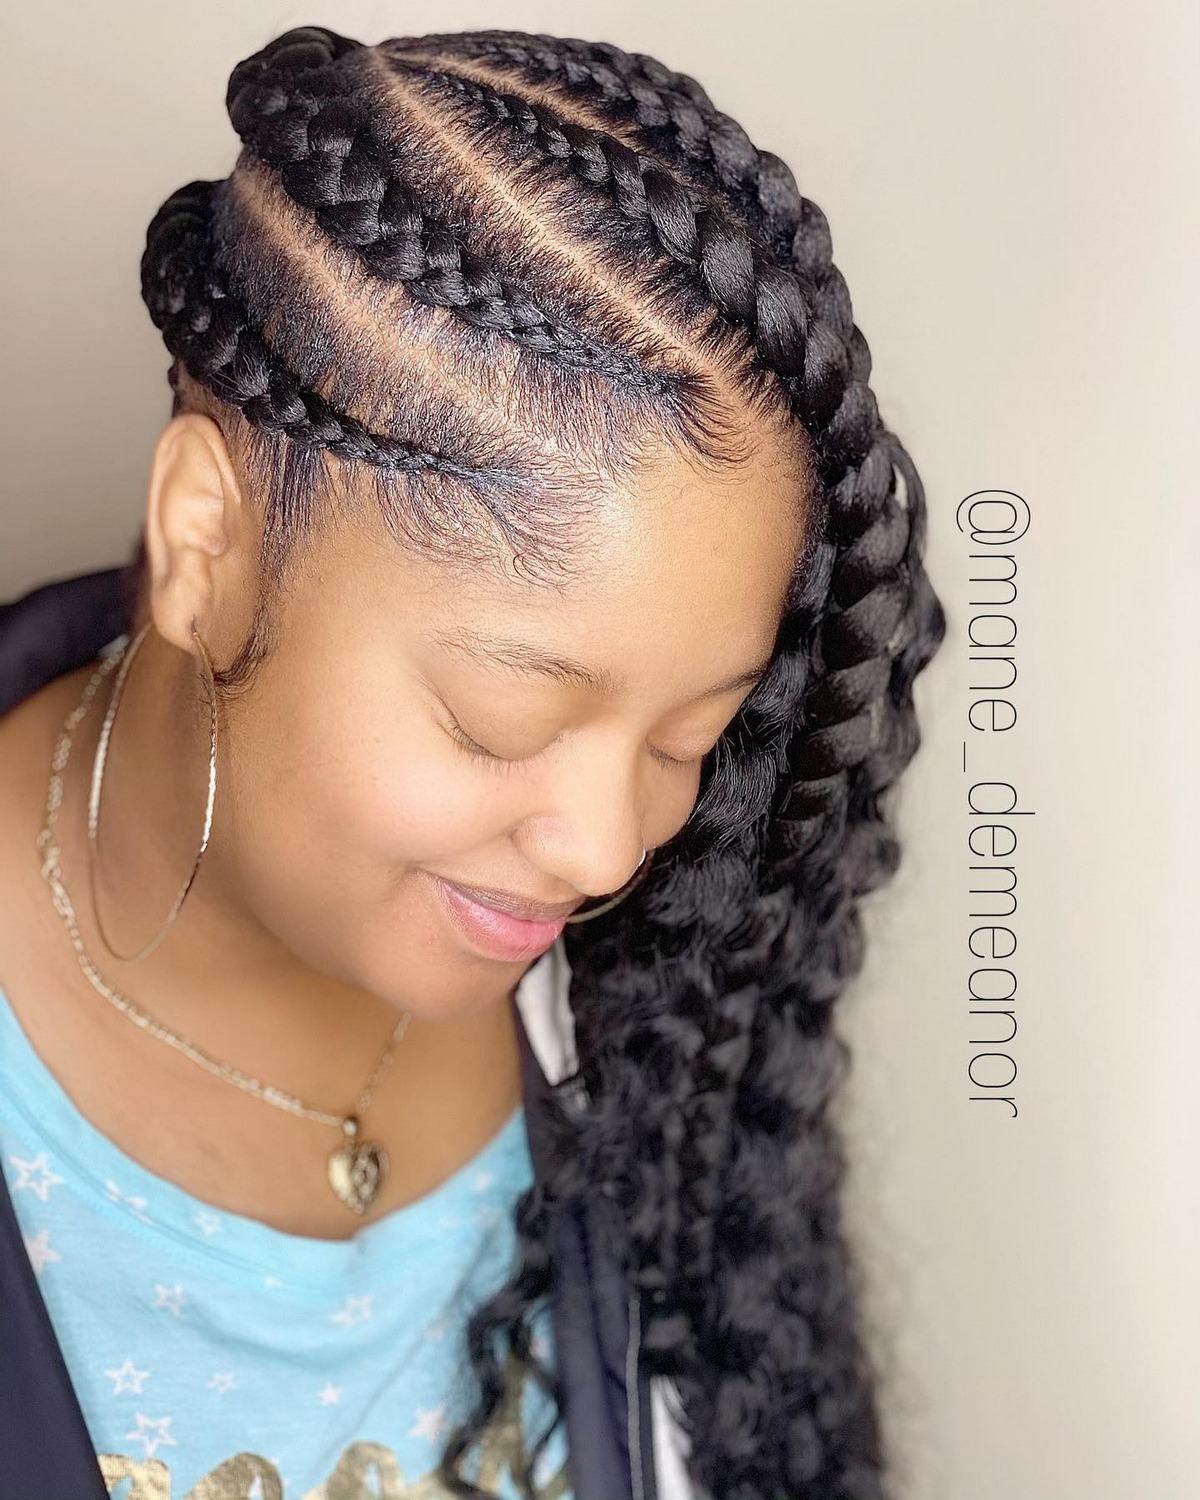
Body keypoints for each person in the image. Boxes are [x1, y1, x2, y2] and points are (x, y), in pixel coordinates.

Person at [0, 22, 945, 1500]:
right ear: (206, 542)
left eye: (688, 737)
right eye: (501, 720)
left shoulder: (625, 1005)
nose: (608, 851)